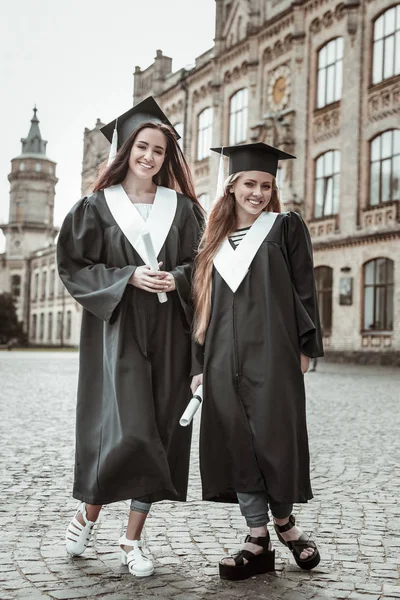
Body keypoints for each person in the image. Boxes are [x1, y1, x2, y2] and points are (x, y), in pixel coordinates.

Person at [57, 96, 204, 578]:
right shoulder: (94, 209)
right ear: (125, 151)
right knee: (124, 430)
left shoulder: (182, 210)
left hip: (170, 333)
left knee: (160, 431)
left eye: (159, 151)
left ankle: (132, 537)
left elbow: (200, 267)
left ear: (168, 158)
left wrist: (176, 280)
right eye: (142, 147)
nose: (150, 157)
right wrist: (126, 279)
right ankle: (90, 511)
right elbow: (75, 266)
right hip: (117, 331)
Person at [191, 143, 323, 581]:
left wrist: (307, 349)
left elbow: (305, 289)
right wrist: (198, 364)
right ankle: (257, 538)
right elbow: (202, 308)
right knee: (237, 442)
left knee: (275, 439)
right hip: (223, 358)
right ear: (231, 187)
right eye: (250, 184)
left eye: (266, 185)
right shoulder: (213, 243)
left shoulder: (285, 227)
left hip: (274, 353)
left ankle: (286, 524)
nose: (259, 193)